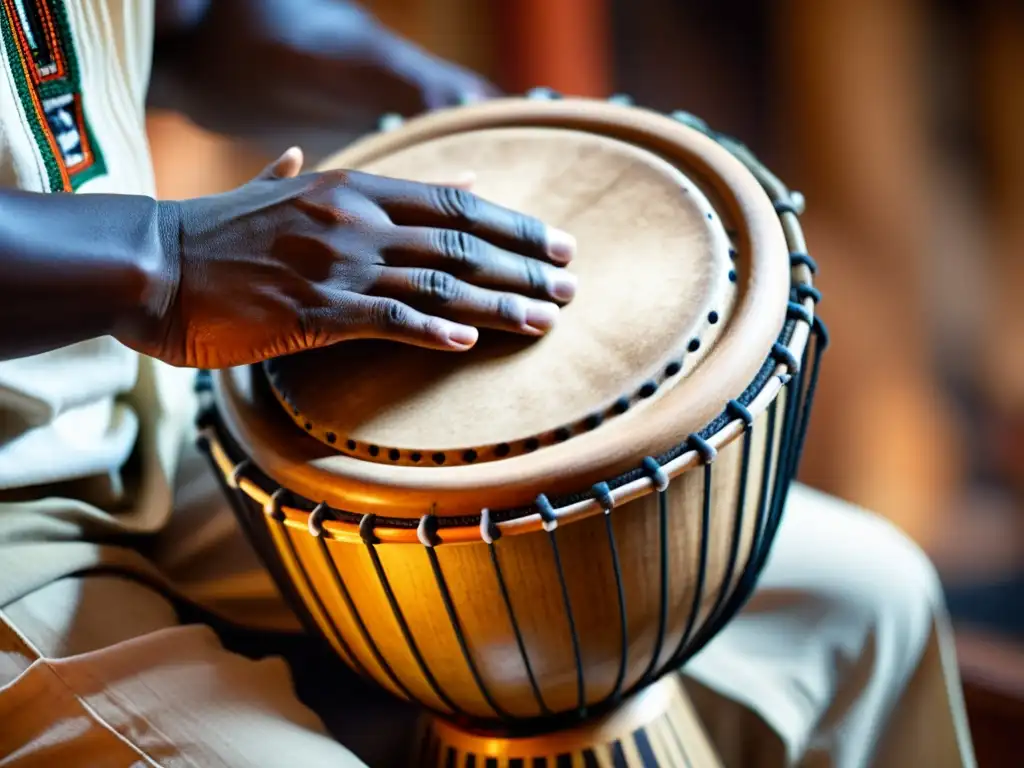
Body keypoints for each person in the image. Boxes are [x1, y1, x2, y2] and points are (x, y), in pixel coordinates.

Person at [0, 1, 976, 766]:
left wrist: (453, 111)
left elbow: (197, 18)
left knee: (861, 601)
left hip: (148, 414)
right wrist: (167, 257)